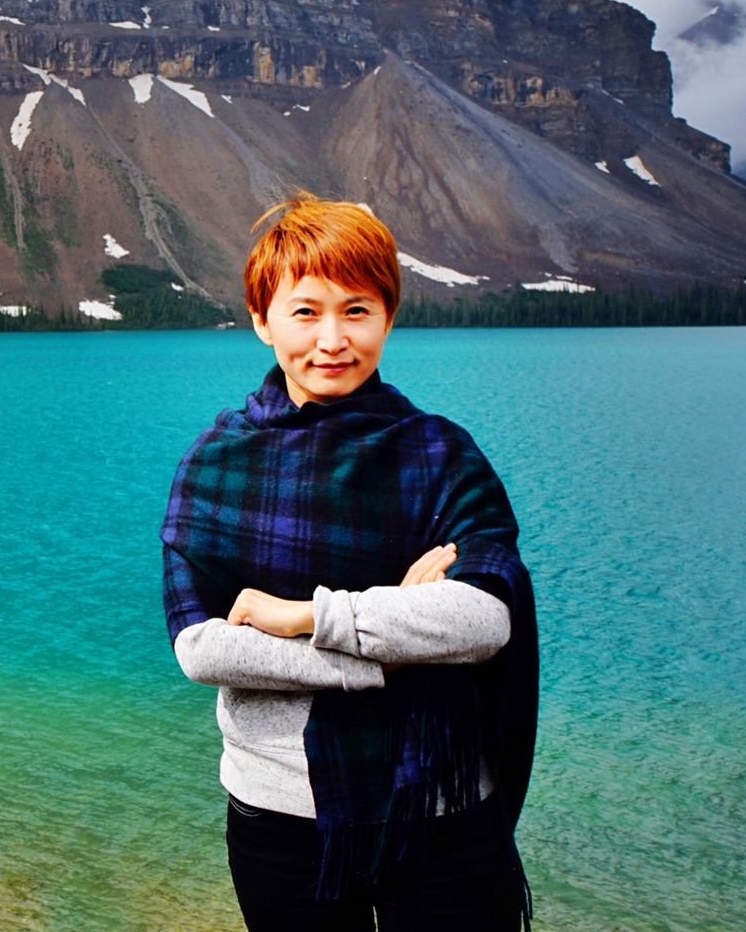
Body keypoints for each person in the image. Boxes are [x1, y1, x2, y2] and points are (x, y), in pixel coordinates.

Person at [160, 193, 537, 931]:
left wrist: (310, 613)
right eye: (305, 312)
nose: (332, 338)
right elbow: (203, 647)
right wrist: (388, 645)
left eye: (357, 310)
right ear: (261, 319)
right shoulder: (215, 464)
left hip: (442, 814)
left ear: (387, 318)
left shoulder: (440, 454)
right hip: (279, 818)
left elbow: (485, 618)